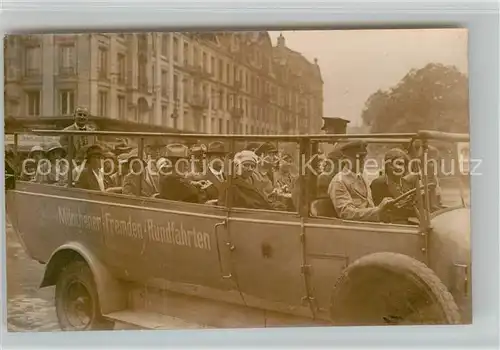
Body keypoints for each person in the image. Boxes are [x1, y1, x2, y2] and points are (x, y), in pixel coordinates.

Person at [328, 140, 393, 222]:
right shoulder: (338, 181)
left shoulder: (362, 178)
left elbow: (369, 204)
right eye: (357, 158)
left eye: (363, 157)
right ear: (345, 160)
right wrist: (378, 210)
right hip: (353, 228)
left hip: (367, 224)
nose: (362, 161)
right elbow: (346, 213)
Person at [218, 150, 286, 211]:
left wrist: (274, 206)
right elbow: (224, 211)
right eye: (246, 165)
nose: (250, 169)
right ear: (237, 166)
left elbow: (264, 202)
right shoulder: (229, 185)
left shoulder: (255, 181)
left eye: (252, 166)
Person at [370, 148, 416, 224]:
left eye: (402, 164)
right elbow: (380, 211)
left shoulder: (406, 183)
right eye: (397, 164)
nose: (400, 168)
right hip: (391, 224)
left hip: (409, 221)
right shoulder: (379, 183)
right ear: (388, 166)